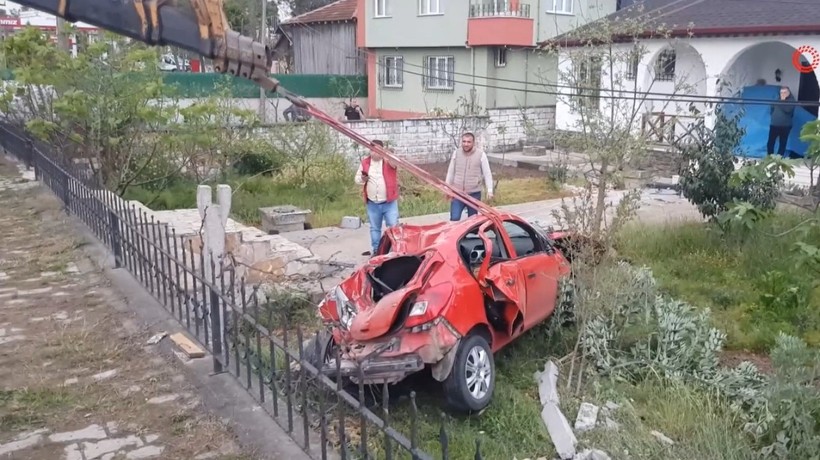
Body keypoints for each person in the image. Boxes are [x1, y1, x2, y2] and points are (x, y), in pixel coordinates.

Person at [354, 139, 399, 256]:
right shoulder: (365, 163)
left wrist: (390, 155)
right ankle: (376, 250)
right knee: (375, 228)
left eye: (378, 151)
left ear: (382, 151)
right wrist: (362, 179)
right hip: (373, 203)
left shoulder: (388, 161)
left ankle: (395, 249)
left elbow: (396, 163)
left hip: (389, 202)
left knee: (393, 226)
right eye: (372, 150)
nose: (374, 153)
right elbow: (357, 178)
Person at [444, 132, 494, 221]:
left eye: (468, 142)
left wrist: (490, 190)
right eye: (464, 141)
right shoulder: (456, 153)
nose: (466, 144)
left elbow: (487, 173)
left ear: (473, 143)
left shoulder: (481, 155)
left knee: (472, 221)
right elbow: (450, 172)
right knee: (454, 218)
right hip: (457, 193)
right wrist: (447, 188)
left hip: (474, 194)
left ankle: (473, 234)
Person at [767, 86, 795, 157]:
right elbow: (772, 108)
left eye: (785, 92)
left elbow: (788, 110)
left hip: (785, 126)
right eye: (781, 92)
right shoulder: (777, 99)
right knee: (770, 142)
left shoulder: (792, 100)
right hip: (774, 124)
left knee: (782, 142)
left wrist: (782, 101)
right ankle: (770, 156)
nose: (783, 94)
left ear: (789, 93)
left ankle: (780, 157)